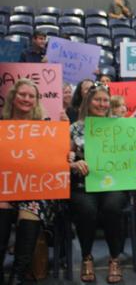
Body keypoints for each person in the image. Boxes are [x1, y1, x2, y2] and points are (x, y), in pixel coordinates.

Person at [0, 79, 67, 284]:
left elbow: (57, 160)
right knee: (1, 206)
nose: (26, 99)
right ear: (13, 97)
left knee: (30, 208)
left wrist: (65, 138)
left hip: (37, 190)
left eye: (31, 96)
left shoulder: (46, 126)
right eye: (22, 94)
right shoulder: (1, 125)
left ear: (37, 101)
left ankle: (18, 275)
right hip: (5, 188)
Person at [69, 84, 128, 283]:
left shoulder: (119, 125)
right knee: (87, 210)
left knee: (112, 208)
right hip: (82, 184)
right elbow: (63, 158)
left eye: (105, 100)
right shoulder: (75, 128)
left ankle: (114, 258)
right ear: (88, 101)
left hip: (114, 183)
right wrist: (74, 162)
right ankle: (87, 256)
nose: (102, 104)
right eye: (97, 100)